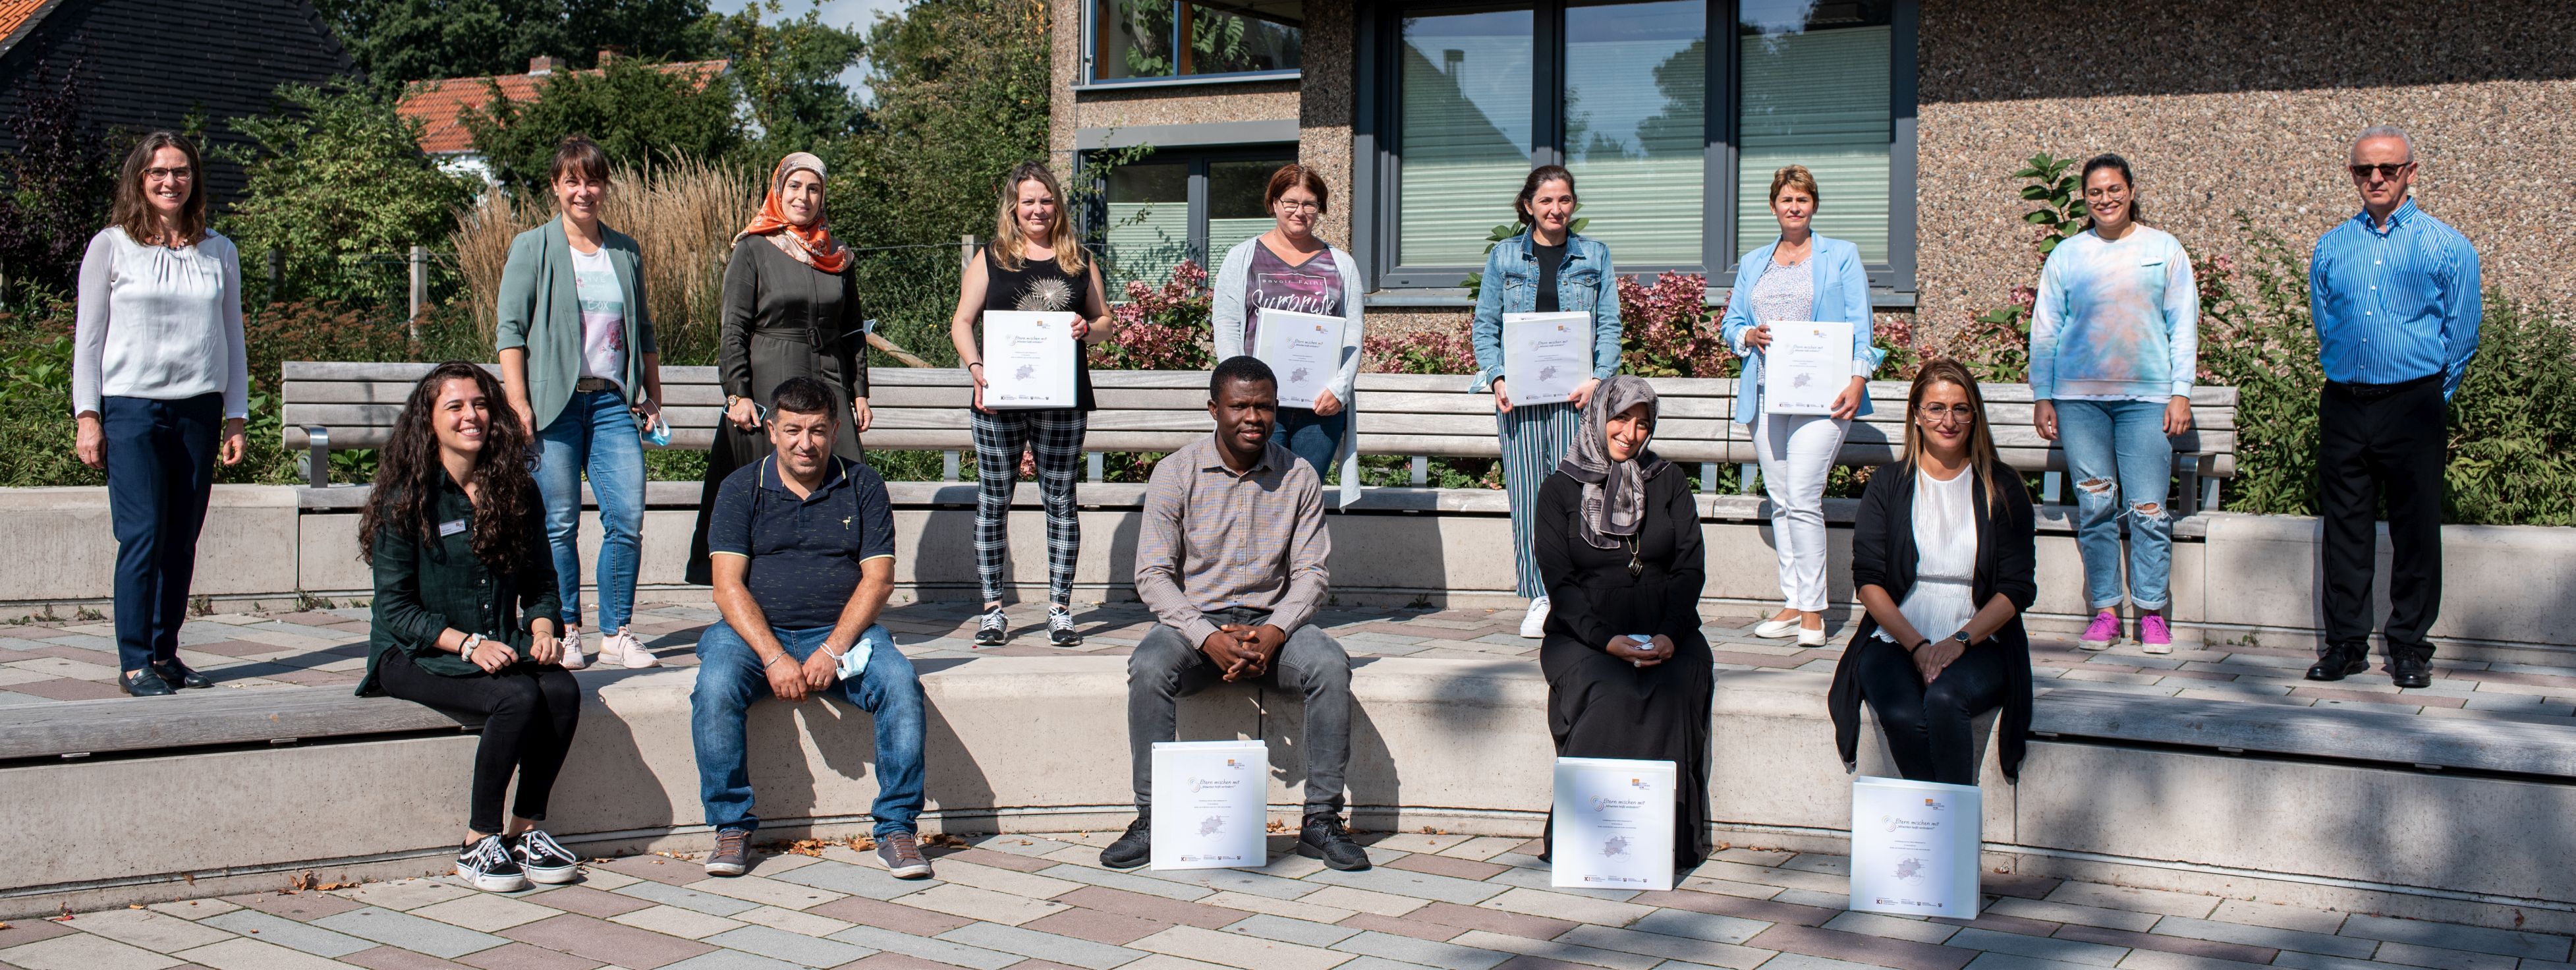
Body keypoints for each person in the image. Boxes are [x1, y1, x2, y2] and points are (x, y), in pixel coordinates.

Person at [1100, 356, 1370, 873]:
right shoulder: (1175, 473)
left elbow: (1312, 574)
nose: (1254, 417)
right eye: (1240, 406)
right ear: (1213, 410)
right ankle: (1154, 819)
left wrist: (1273, 631)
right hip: (1194, 625)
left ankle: (1321, 821)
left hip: (1275, 625)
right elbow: (1153, 574)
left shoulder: (1299, 479)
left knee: (1330, 665)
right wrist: (1205, 637)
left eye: (1264, 406)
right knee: (1150, 666)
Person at [691, 377, 932, 880]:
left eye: (819, 430)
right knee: (714, 686)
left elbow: (879, 581)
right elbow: (727, 588)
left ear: (836, 430)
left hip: (842, 634)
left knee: (900, 683)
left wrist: (831, 648)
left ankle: (897, 830)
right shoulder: (740, 488)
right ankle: (731, 827)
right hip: (754, 636)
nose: (807, 442)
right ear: (772, 430)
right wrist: (776, 657)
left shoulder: (863, 485)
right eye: (794, 430)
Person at [358, 362, 582, 893]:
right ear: (428, 420)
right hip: (412, 651)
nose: (471, 416)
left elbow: (542, 582)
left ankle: (526, 830)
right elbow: (396, 609)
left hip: (492, 644)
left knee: (561, 689)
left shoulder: (516, 490)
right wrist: (468, 644)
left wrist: (545, 628)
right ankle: (478, 840)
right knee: (518, 699)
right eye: (454, 407)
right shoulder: (406, 497)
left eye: (480, 404)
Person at [70, 132, 248, 698]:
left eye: (181, 171)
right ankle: (133, 660)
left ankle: (165, 654)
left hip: (198, 410)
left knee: (182, 539)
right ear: (139, 179)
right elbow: (89, 340)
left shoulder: (218, 250)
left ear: (194, 180)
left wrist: (236, 416)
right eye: (158, 172)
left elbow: (233, 338)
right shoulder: (111, 246)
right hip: (131, 410)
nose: (171, 181)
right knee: (143, 534)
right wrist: (87, 415)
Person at [2305, 125, 2480, 689]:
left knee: (2415, 528)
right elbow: (2325, 322)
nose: (2375, 179)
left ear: (2411, 172)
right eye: (2363, 170)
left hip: (2413, 403)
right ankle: (2347, 645)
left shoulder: (2447, 246)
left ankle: (2409, 646)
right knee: (2345, 528)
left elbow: (2463, 333)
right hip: (2345, 402)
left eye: (2387, 169)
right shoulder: (2332, 246)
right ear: (2353, 174)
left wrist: (2430, 395)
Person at [497, 136, 665, 671]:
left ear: (604, 186)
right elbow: (510, 332)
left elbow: (644, 331)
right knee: (559, 522)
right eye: (572, 180)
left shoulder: (625, 250)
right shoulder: (533, 247)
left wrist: (653, 395)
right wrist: (518, 403)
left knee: (627, 517)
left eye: (592, 180)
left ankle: (617, 631)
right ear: (555, 186)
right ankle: (568, 628)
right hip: (554, 404)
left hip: (613, 402)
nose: (583, 191)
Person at [1829, 360, 2036, 787]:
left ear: (1975, 415)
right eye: (1936, 408)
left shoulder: (2003, 486)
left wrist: (1960, 641)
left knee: (1945, 698)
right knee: (1903, 713)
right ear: (1917, 416)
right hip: (1896, 635)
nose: (1949, 420)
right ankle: (1939, 828)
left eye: (1961, 409)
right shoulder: (1888, 484)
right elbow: (1868, 580)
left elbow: (2017, 589)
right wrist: (1919, 646)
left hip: (1982, 638)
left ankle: (1945, 833)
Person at [1532, 375, 1712, 869]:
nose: (1631, 434)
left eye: (1643, 424)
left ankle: (1661, 846)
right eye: (1621, 418)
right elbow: (1560, 584)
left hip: (1665, 628)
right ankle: (1586, 844)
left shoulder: (1668, 481)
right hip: (1584, 633)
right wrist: (1606, 640)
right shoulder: (1559, 489)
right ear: (1597, 418)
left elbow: (1689, 567)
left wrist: (1671, 635)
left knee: (1673, 687)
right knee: (1610, 692)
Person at [2030, 153, 2200, 655]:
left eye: (2114, 189)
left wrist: (2180, 392)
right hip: (2079, 400)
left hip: (2146, 399)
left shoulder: (2163, 249)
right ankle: (2105, 612)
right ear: (2085, 199)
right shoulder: (2067, 255)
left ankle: (2151, 614)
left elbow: (2183, 324)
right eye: (2095, 192)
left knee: (2149, 509)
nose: (2105, 199)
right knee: (2096, 505)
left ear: (2131, 190)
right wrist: (2043, 395)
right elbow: (2046, 329)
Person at [947, 161, 1117, 648]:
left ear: (1057, 205)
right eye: (1029, 202)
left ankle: (1060, 610)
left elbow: (1105, 321)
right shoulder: (990, 257)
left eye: (1046, 201)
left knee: (1060, 500)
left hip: (1062, 399)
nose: (1038, 209)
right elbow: (962, 322)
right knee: (993, 500)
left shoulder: (1079, 259)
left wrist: (1091, 329)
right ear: (1014, 208)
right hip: (998, 398)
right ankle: (993, 609)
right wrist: (977, 370)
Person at [688, 152, 874, 586]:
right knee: (768, 488)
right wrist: (737, 392)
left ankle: (837, 588)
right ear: (779, 190)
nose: (803, 197)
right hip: (771, 377)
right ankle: (757, 590)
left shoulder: (839, 257)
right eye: (794, 187)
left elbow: (851, 331)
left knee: (843, 481)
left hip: (829, 377)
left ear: (823, 196)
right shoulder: (753, 248)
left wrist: (860, 390)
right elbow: (733, 326)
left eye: (813, 189)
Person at [1718, 165, 1883, 647]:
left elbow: (1861, 326)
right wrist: (1747, 334)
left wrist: (1858, 379)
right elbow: (1732, 324)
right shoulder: (1754, 262)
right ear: (1773, 207)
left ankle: (1814, 610)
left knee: (1804, 497)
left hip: (1824, 396)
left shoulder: (1842, 257)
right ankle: (1793, 601)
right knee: (1782, 500)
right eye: (1787, 200)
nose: (1795, 207)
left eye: (1803, 199)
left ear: (1814, 206)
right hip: (1767, 393)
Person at [1470, 165, 1625, 640]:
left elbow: (1610, 326)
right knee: (1528, 495)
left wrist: (1599, 380)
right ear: (1528, 206)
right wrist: (1496, 378)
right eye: (1546, 202)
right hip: (1519, 399)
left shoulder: (1595, 256)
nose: (1556, 209)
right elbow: (1485, 325)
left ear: (1573, 204)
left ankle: (1581, 593)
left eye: (1564, 200)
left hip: (1577, 398)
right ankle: (1541, 595)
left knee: (1582, 494)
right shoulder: (1504, 256)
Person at [1211, 163, 1366, 504]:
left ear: (1320, 208)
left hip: (1320, 409)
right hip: (1261, 406)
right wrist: (1242, 386)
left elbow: (1353, 332)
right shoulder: (1243, 258)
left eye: (1310, 204)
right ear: (1274, 203)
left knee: (1305, 498)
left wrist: (1339, 389)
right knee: (1258, 497)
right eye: (1291, 202)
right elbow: (1226, 325)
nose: (1300, 211)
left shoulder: (1341, 264)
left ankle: (1303, 560)